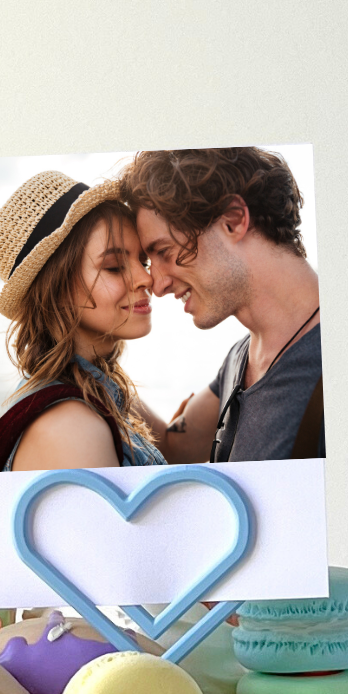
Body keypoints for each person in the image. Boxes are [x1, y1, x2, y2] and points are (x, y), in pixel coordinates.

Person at [122, 148, 325, 464]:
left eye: (164, 251)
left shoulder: (346, 360)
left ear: (233, 220)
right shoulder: (240, 359)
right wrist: (90, 363)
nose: (157, 285)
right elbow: (176, 448)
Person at [0, 171, 169, 474]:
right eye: (115, 267)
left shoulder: (96, 390)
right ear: (58, 290)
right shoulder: (73, 427)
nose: (146, 278)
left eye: (142, 262)